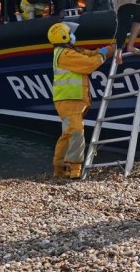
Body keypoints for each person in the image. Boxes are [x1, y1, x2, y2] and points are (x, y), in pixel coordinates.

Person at [48, 21, 114, 179]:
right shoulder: (65, 55)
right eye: (70, 33)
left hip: (70, 100)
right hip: (69, 100)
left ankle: (59, 168)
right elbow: (89, 63)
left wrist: (108, 49)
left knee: (68, 133)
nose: (73, 35)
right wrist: (104, 55)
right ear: (64, 36)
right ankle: (74, 168)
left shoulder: (68, 51)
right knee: (77, 131)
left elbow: (87, 54)